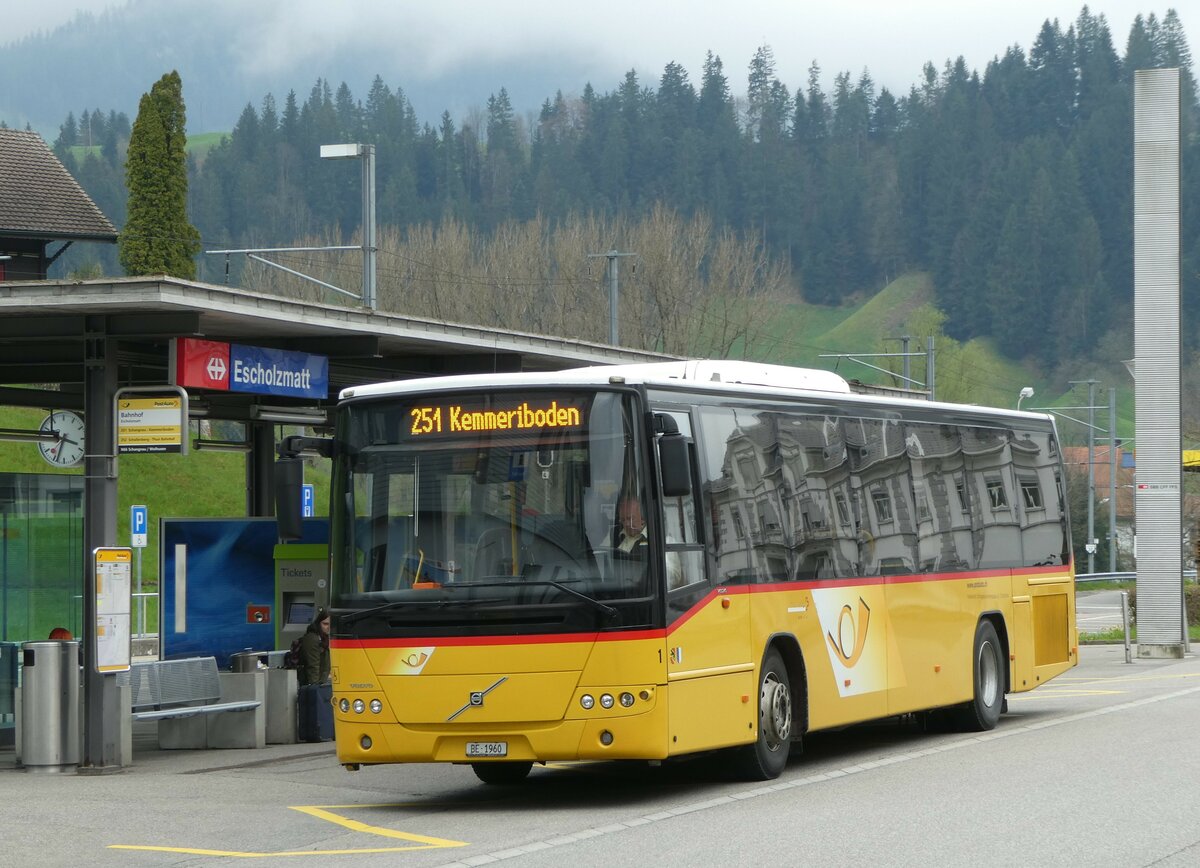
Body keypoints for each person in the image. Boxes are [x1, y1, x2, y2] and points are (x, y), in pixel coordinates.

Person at [298, 607, 331, 687]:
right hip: (313, 683)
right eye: (325, 624)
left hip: (322, 681)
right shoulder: (312, 638)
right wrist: (314, 686)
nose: (328, 627)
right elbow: (313, 665)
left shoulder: (325, 637)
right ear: (319, 623)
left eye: (330, 624)